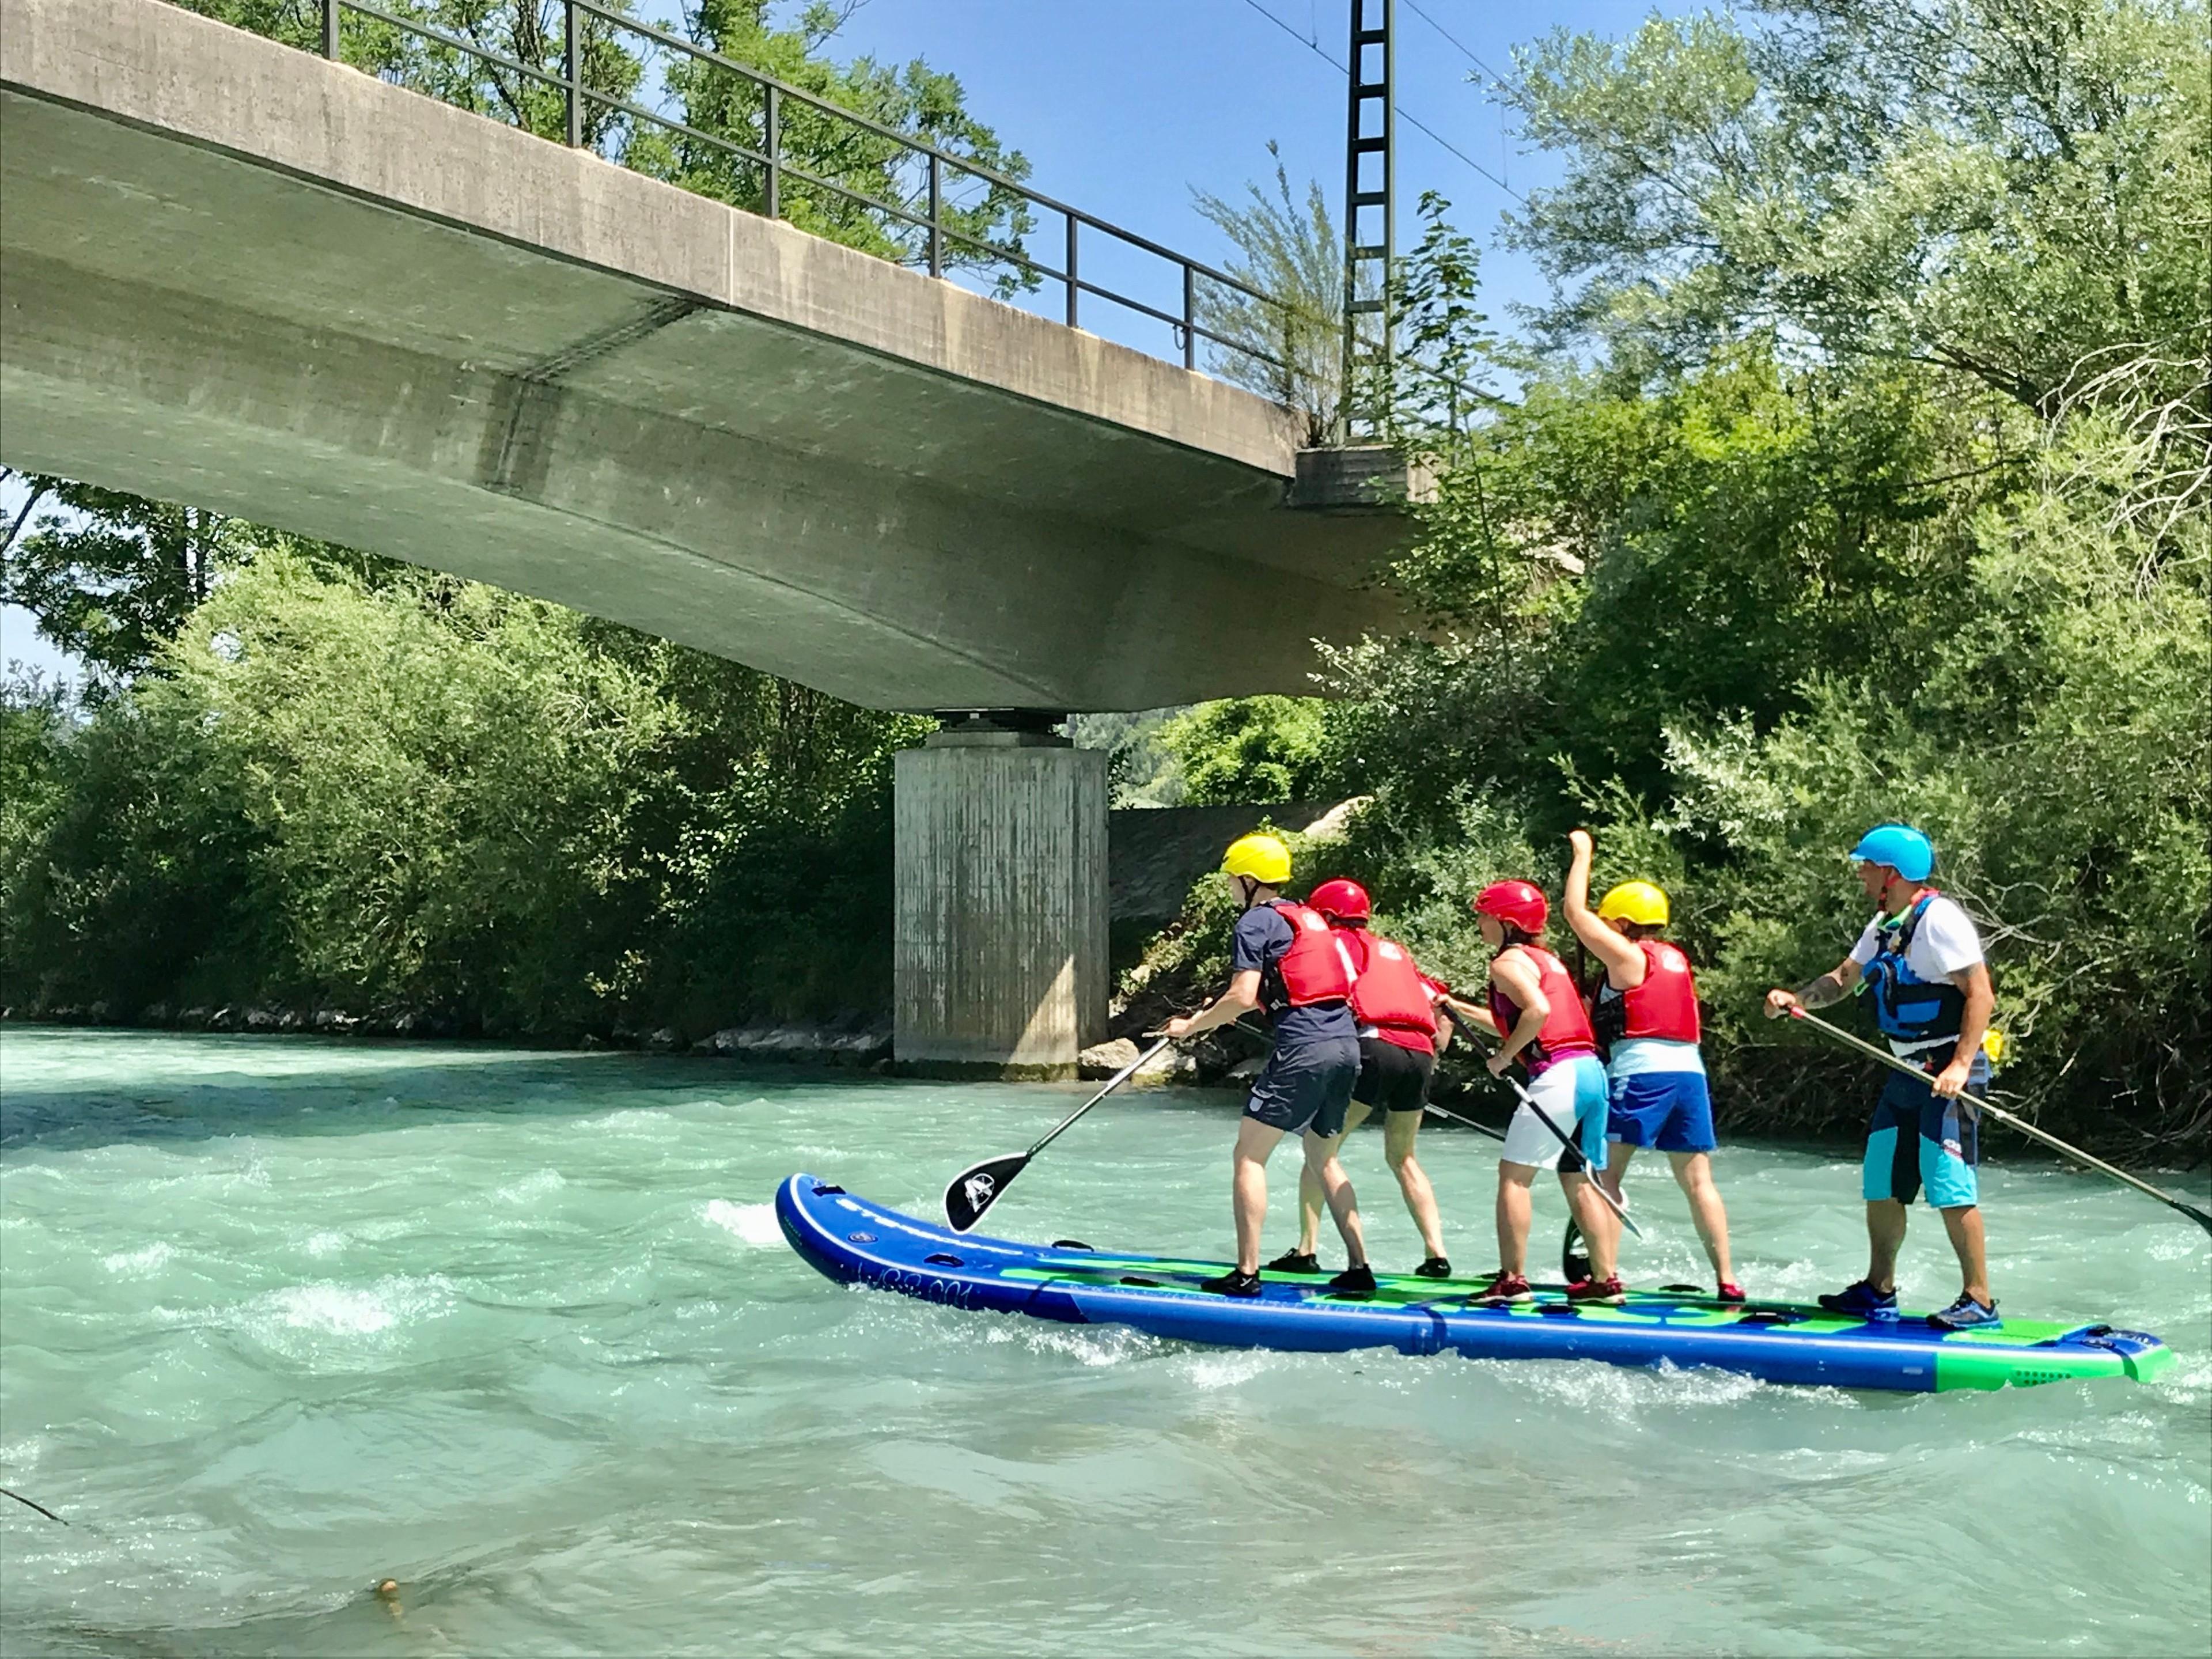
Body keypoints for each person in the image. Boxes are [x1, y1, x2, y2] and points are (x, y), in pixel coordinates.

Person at [1764, 823, 1999, 1330]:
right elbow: (1844, 980)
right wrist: (1798, 999)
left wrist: (1960, 1065)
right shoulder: (1884, 925)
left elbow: (1981, 995)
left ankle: (1980, 1300)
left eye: (1866, 866)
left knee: (1950, 1186)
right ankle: (1878, 1291)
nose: (1860, 874)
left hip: (1947, 1071)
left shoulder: (1940, 922)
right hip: (1905, 1071)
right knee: (1882, 1180)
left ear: (1890, 873)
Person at [1163, 834, 1373, 1298]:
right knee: (1323, 1157)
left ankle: (1246, 1272)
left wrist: (1192, 1027)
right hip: (1347, 1046)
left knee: (1249, 1156)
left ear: (1250, 879)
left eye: (1234, 881)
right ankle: (1360, 1268)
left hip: (1305, 1049)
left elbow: (1241, 996)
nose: (1232, 890)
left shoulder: (1255, 922)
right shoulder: (1310, 918)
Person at [1561, 830, 1743, 1302]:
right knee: (1699, 1181)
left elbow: (1574, 915)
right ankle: (1727, 1280)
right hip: (1691, 1076)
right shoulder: (1676, 960)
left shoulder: (1628, 955)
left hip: (1642, 1075)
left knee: (1604, 1176)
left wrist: (1583, 854)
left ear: (1622, 923)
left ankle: (1606, 1279)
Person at [1265, 877, 1455, 1279]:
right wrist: (1432, 1059)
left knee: (1320, 1151)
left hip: (1373, 1047)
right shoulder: (1396, 952)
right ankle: (1437, 1254)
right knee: (1403, 1157)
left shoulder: (1332, 943)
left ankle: (1308, 1251)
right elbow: (1440, 1011)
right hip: (1420, 1054)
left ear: (1329, 915)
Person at [1458, 879, 1623, 1305]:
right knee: (1579, 1178)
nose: (1480, 924)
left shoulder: (1506, 963)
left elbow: (1537, 1013)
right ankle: (1605, 1283)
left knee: (1514, 1178)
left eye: (1484, 916)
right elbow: (1528, 1018)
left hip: (1559, 1076)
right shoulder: (1546, 961)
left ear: (1506, 922)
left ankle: (1512, 1281)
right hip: (1590, 1073)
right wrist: (1456, 1008)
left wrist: (1501, 1058)